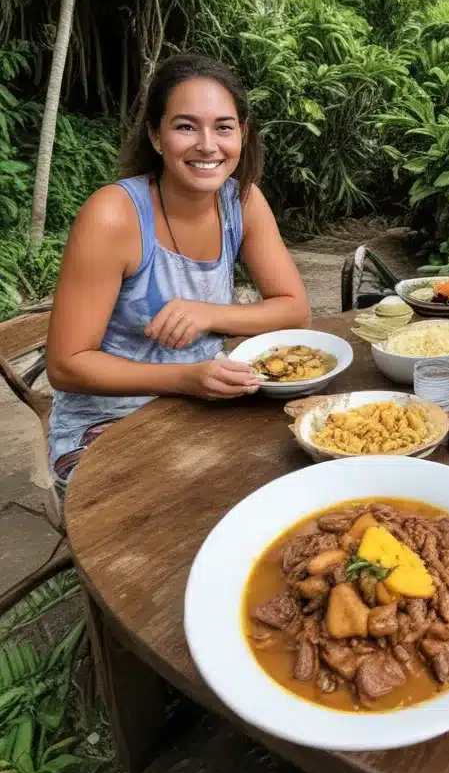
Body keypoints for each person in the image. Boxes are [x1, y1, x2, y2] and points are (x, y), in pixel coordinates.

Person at [46, 53, 310, 495]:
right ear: (155, 135)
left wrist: (206, 314)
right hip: (109, 423)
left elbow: (294, 308)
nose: (208, 145)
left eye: (223, 127)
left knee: (299, 473)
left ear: (242, 135)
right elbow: (66, 366)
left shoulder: (240, 201)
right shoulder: (114, 215)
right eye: (186, 126)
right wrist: (185, 378)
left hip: (201, 404)